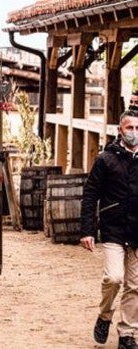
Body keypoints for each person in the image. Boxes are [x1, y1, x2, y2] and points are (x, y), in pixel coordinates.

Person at [80, 107, 138, 349]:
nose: (134, 132)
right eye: (129, 128)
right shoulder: (106, 159)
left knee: (135, 285)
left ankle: (127, 334)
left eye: (137, 128)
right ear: (120, 130)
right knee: (114, 278)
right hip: (113, 227)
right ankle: (104, 315)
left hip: (137, 232)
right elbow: (90, 194)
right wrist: (87, 230)